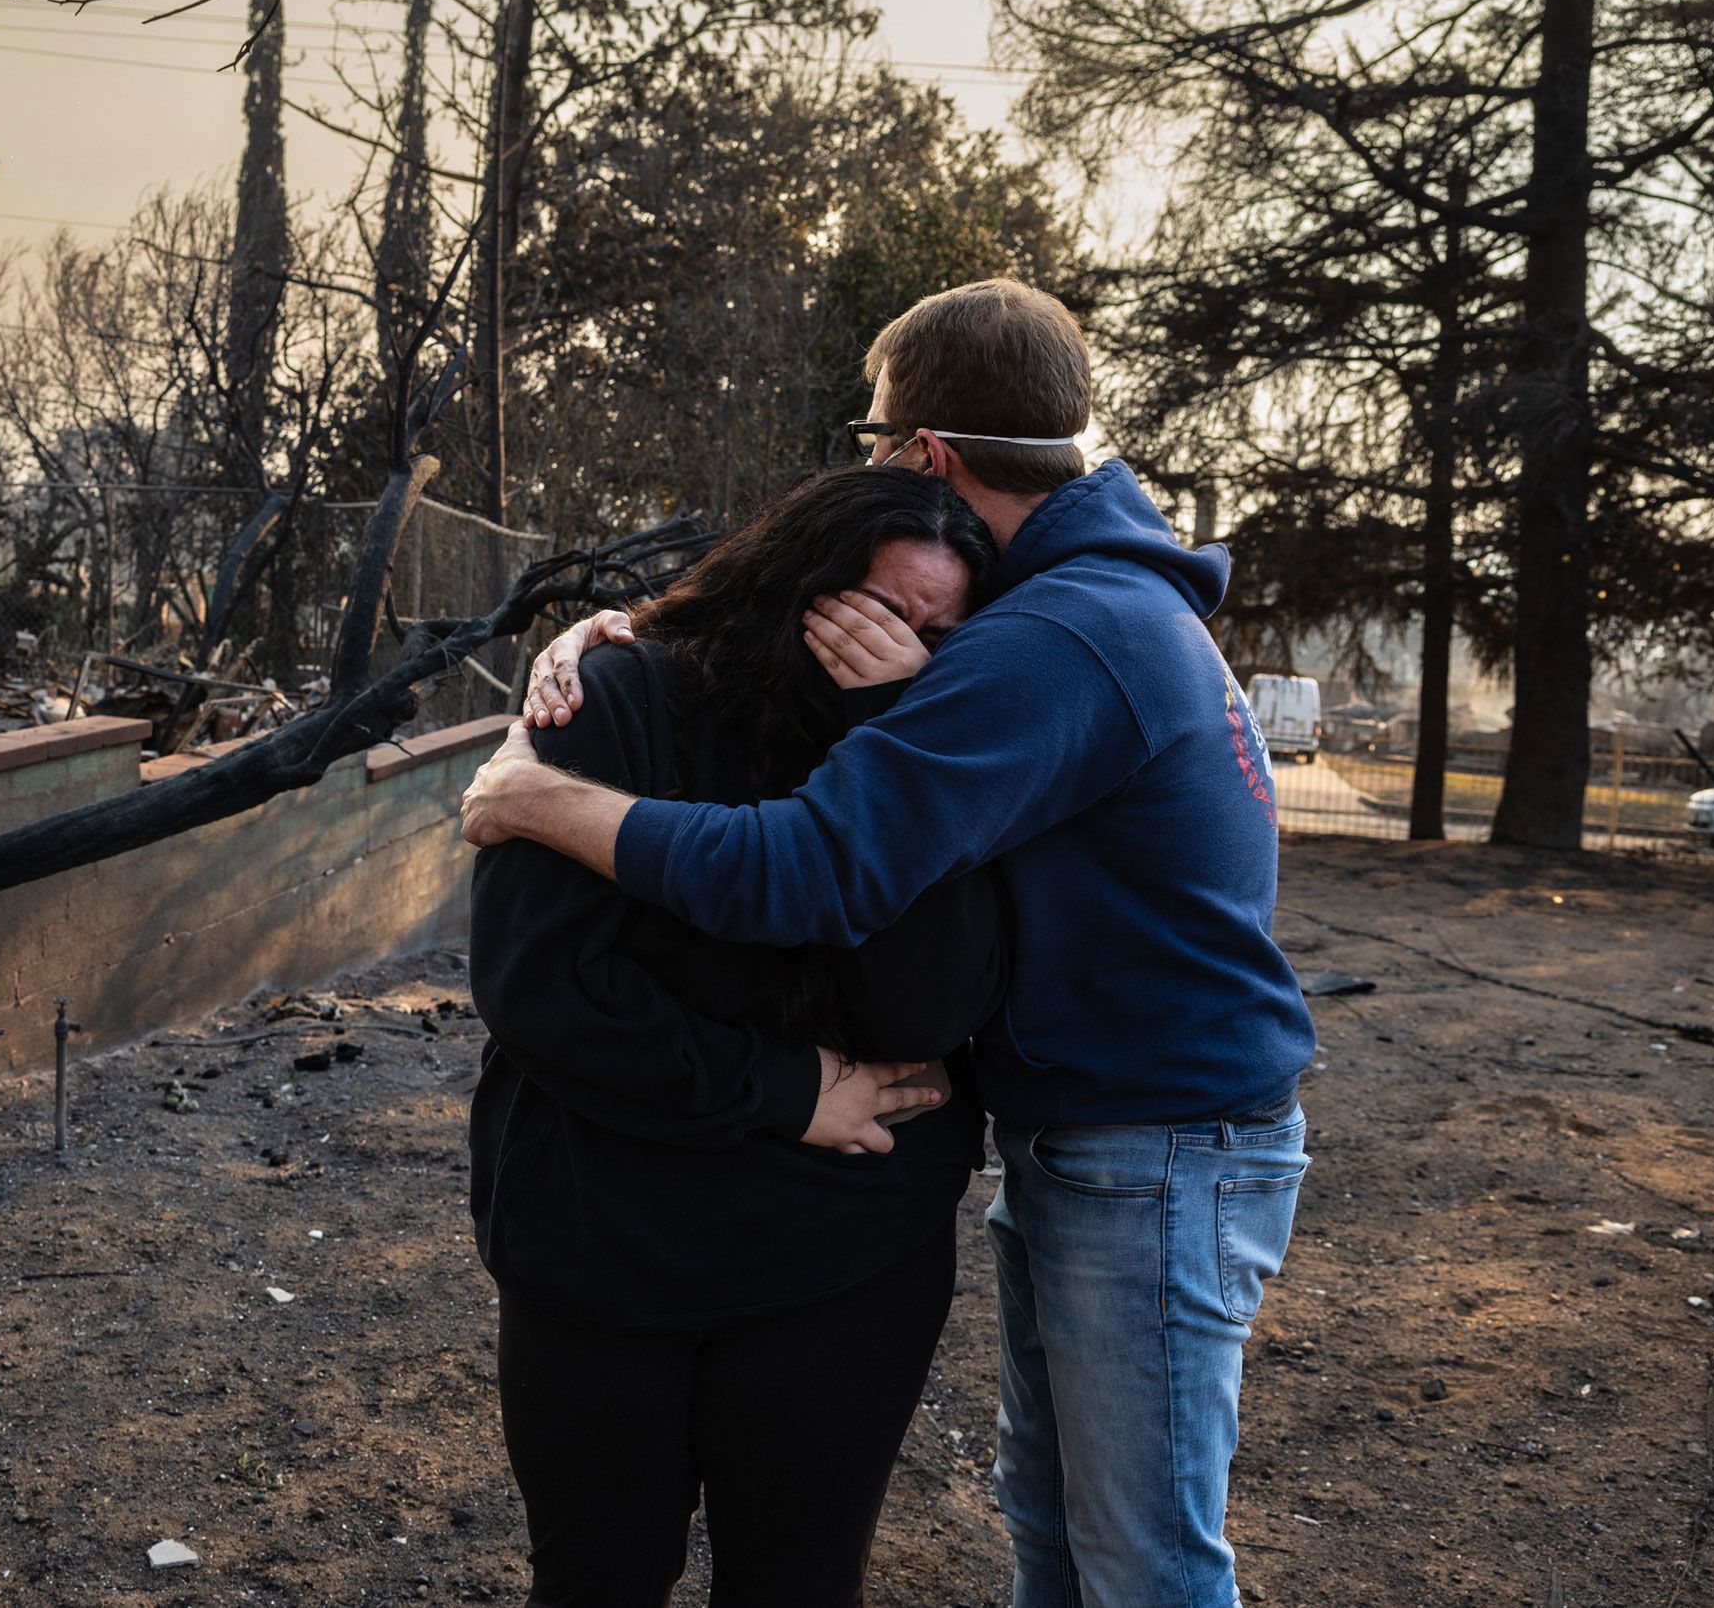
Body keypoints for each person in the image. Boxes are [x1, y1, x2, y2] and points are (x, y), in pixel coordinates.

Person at [461, 279, 1315, 1608]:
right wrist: (611, 632)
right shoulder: (1077, 601)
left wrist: (541, 800)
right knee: (1063, 1522)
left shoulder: (1054, 635)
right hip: (1116, 1131)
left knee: (1141, 1560)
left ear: (925, 452)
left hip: (1154, 1144)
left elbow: (813, 869)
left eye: (874, 446)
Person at [470, 464, 1008, 1607]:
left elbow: (924, 1011)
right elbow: (541, 989)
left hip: (845, 1250)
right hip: (605, 1236)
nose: (896, 646)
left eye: (933, 631)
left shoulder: (934, 740)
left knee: (799, 1584)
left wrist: (890, 727)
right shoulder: (618, 698)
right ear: (793, 583)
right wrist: (780, 1088)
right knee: (596, 1578)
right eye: (871, 613)